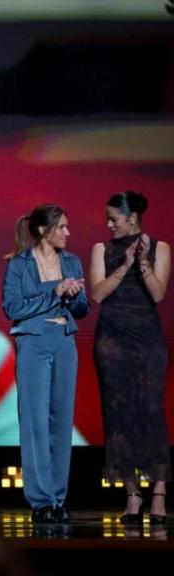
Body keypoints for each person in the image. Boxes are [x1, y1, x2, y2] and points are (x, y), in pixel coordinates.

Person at [2, 204, 88, 524]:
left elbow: (81, 309)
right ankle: (41, 501)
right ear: (42, 230)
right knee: (35, 421)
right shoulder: (19, 265)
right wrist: (56, 291)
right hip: (33, 342)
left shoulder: (72, 261)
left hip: (64, 340)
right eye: (61, 227)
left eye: (67, 226)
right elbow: (12, 307)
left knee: (61, 422)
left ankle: (58, 497)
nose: (67, 232)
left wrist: (74, 293)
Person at [89, 191, 170, 526]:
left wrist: (143, 263)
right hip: (112, 339)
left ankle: (160, 495)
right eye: (108, 218)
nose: (109, 224)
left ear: (133, 217)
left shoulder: (160, 247)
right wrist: (124, 265)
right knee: (118, 414)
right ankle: (132, 495)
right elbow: (97, 294)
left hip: (148, 338)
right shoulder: (101, 249)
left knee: (152, 411)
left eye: (114, 218)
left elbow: (158, 293)